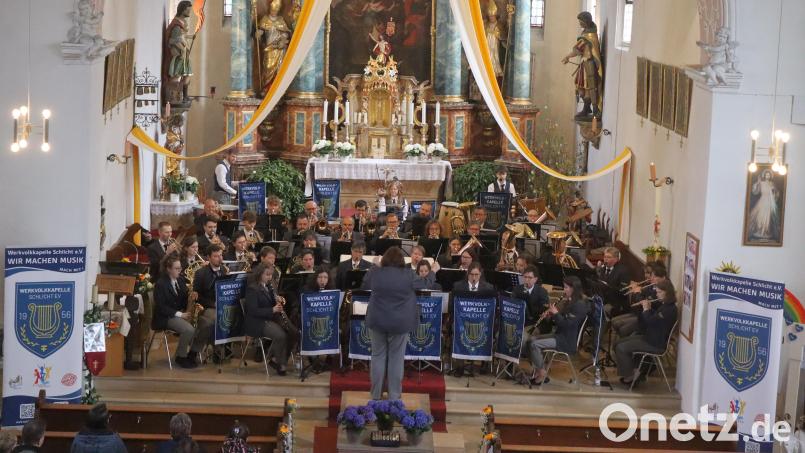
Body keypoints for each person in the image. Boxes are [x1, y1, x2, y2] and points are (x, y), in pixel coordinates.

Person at [361, 247, 418, 400]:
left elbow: (364, 284)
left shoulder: (376, 272)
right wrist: (433, 271)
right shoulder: (408, 274)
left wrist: (374, 265)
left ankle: (375, 395)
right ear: (401, 260)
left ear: (384, 259)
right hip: (400, 323)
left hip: (377, 320)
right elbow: (423, 283)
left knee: (377, 356)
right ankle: (394, 396)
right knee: (396, 358)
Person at [614, 279, 678, 388]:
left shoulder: (670, 309)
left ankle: (631, 376)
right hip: (650, 337)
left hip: (655, 343)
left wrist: (646, 310)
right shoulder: (665, 305)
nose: (657, 294)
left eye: (659, 292)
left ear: (667, 292)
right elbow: (652, 320)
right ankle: (635, 371)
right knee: (617, 343)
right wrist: (645, 310)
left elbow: (651, 322)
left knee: (621, 348)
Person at [527, 276, 589, 386]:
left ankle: (542, 372)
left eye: (566, 287)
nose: (564, 290)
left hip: (566, 341)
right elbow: (560, 321)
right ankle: (538, 370)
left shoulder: (580, 305)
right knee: (530, 339)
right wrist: (550, 316)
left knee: (535, 344)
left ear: (573, 288)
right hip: (559, 336)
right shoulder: (570, 301)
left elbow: (566, 325)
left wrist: (555, 313)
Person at [244, 264, 296, 376]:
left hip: (269, 318)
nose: (269, 277)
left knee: (293, 333)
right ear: (259, 274)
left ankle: (276, 360)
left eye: (271, 275)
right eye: (267, 275)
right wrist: (272, 309)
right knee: (280, 335)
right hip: (256, 322)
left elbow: (270, 303)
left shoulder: (269, 286)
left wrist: (277, 300)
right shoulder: (252, 289)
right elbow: (253, 311)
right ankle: (278, 362)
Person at [153, 254, 198, 368]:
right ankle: (181, 357)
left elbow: (182, 299)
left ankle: (192, 354)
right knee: (188, 330)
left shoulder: (181, 280)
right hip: (165, 317)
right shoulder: (160, 284)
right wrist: (180, 314)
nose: (180, 271)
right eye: (177, 269)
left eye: (180, 268)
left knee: (200, 326)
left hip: (178, 314)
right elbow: (161, 307)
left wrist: (191, 297)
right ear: (168, 269)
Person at [562, 11, 603, 119]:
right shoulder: (590, 33)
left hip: (588, 65)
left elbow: (577, 50)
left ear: (586, 22)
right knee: (582, 87)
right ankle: (587, 108)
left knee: (589, 87)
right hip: (585, 63)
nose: (580, 24)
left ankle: (592, 109)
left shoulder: (587, 37)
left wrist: (567, 57)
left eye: (581, 22)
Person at [192, 244, 229, 362]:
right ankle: (216, 350)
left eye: (221, 255)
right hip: (207, 307)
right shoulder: (201, 273)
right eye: (216, 256)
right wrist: (214, 304)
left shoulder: (224, 270)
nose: (220, 258)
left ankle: (224, 349)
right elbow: (198, 297)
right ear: (208, 257)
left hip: (222, 305)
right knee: (217, 319)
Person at [612, 263, 668, 338]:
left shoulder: (661, 290)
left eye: (654, 277)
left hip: (646, 317)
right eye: (651, 276)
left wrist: (638, 293)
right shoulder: (650, 286)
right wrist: (635, 292)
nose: (651, 278)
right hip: (639, 313)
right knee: (614, 322)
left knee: (623, 329)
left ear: (663, 278)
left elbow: (648, 303)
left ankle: (625, 344)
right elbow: (636, 301)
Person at [513, 265, 550, 332]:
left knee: (522, 336)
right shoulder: (517, 289)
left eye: (530, 278)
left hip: (535, 323)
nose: (527, 280)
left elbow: (543, 311)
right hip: (520, 320)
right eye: (525, 277)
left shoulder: (542, 292)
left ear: (535, 279)